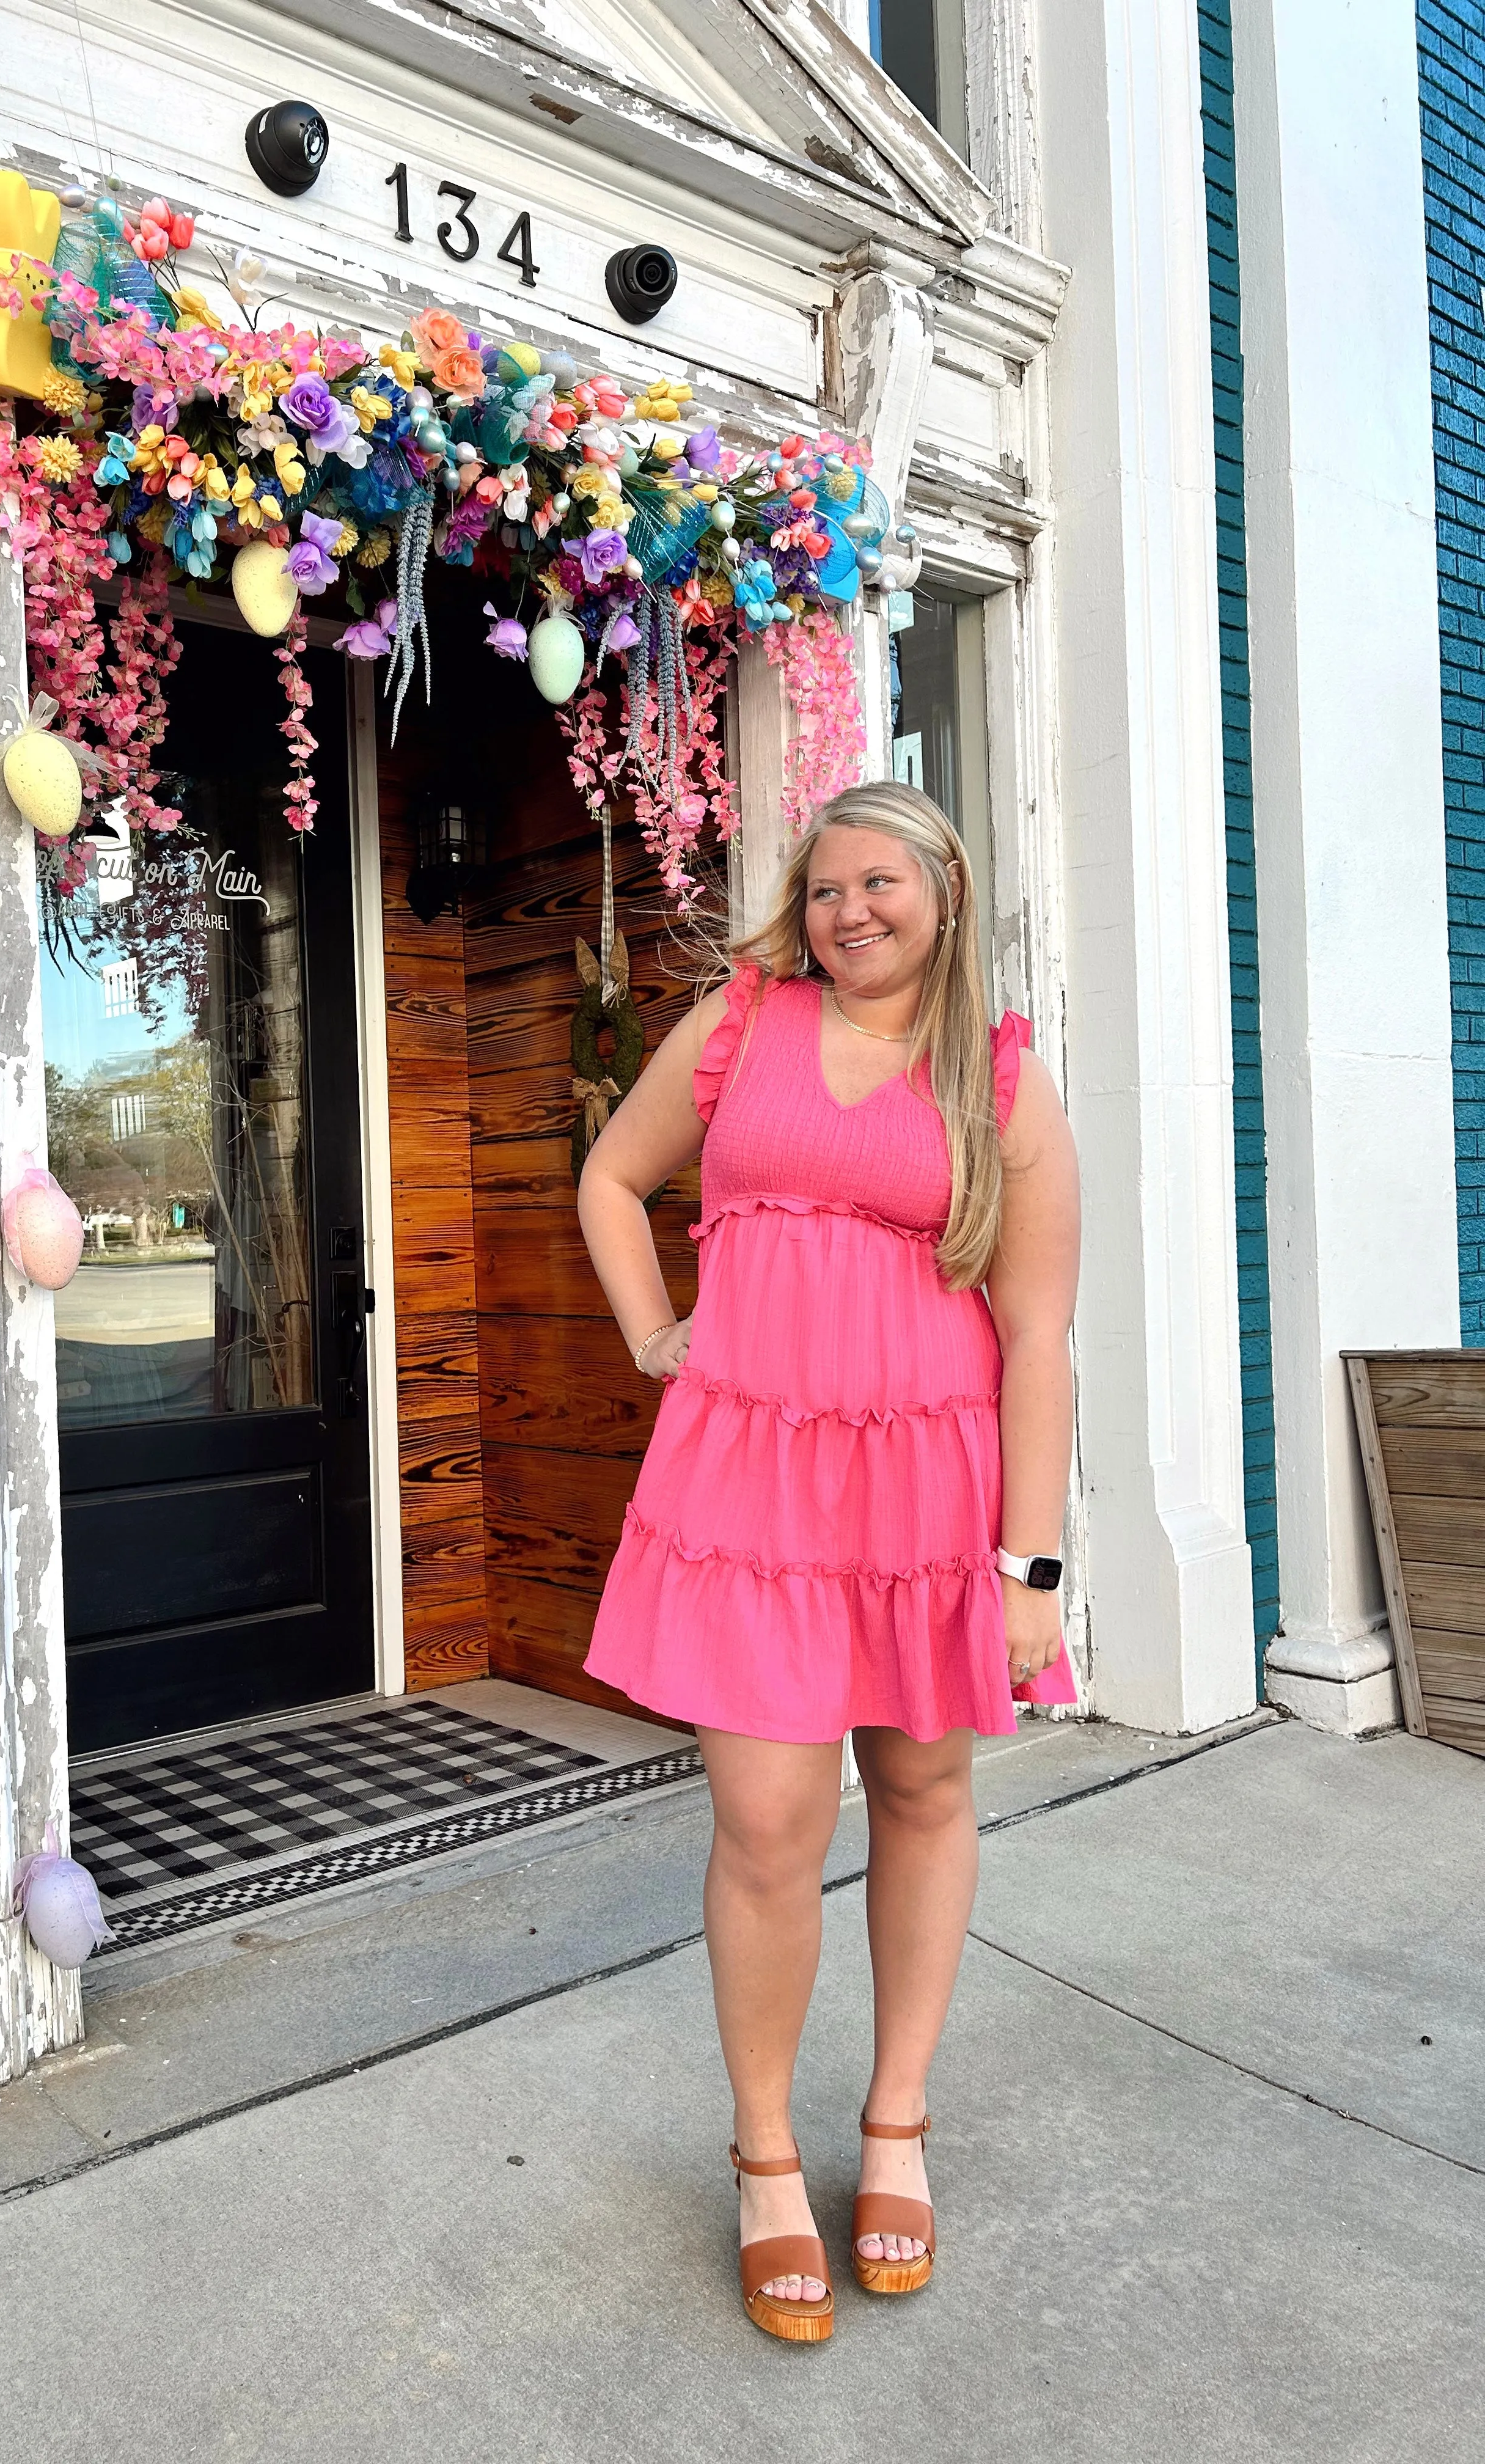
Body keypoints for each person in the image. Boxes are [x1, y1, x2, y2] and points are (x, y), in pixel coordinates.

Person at [576, 780, 1081, 2345]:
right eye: (822, 889)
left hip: (930, 1498)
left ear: (944, 889)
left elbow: (1039, 1336)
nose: (847, 912)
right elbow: (611, 1179)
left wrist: (1033, 1569)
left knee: (925, 1791)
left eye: (879, 883)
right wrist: (658, 1331)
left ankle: (897, 2129)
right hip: (751, 1495)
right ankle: (767, 2159)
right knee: (770, 1818)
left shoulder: (998, 1078)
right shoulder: (742, 1025)